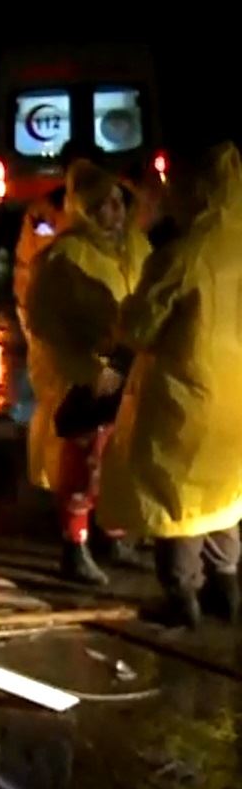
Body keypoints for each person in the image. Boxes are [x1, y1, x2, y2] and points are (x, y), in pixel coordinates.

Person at [99, 143, 242, 627]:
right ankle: (228, 586)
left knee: (176, 498)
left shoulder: (182, 255)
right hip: (236, 399)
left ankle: (183, 599)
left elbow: (139, 326)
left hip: (187, 393)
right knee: (224, 495)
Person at [25, 161, 152, 584]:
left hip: (129, 376)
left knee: (119, 460)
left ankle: (113, 535)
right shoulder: (64, 256)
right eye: (103, 205)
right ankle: (74, 546)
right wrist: (84, 372)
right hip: (89, 380)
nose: (114, 212)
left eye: (119, 202)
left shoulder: (137, 247)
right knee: (84, 464)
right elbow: (44, 324)